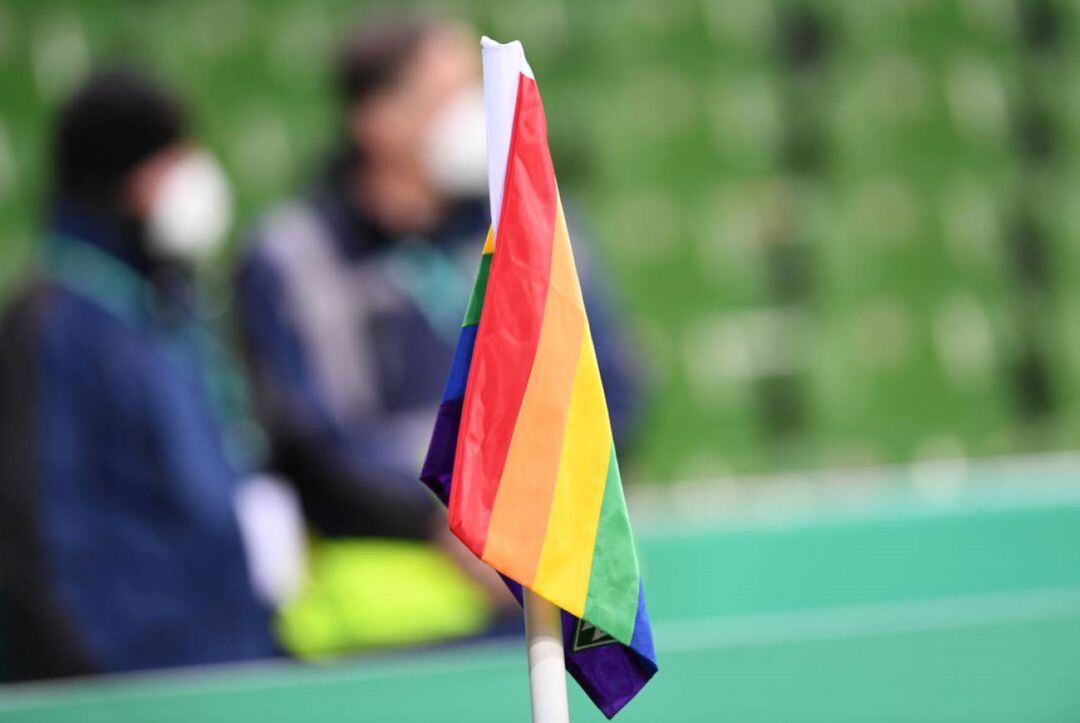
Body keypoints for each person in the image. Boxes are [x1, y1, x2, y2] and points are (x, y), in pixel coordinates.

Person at [235, 13, 641, 654]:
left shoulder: (527, 225)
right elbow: (310, 439)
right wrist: (452, 527)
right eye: (447, 95)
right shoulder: (293, 258)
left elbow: (611, 383)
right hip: (381, 630)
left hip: (537, 597)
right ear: (375, 119)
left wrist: (539, 521)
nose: (474, 114)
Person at [0, 69, 278, 679]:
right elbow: (42, 533)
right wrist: (96, 676)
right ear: (122, 176)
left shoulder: (167, 303)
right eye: (170, 157)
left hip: (228, 658)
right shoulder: (51, 324)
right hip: (133, 676)